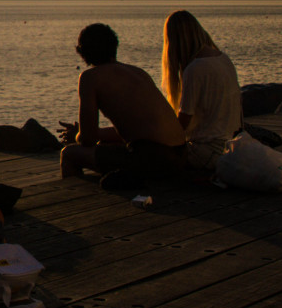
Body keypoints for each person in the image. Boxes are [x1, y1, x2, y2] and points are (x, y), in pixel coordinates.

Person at [58, 23, 188, 191]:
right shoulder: (138, 72)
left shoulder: (90, 78)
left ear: (82, 52)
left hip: (153, 159)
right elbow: (142, 130)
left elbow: (88, 139)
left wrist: (77, 135)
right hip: (180, 156)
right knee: (108, 148)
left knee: (69, 154)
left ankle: (75, 202)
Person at [159, 11, 242, 171]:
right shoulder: (223, 59)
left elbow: (183, 122)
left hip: (206, 152)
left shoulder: (195, 69)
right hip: (230, 148)